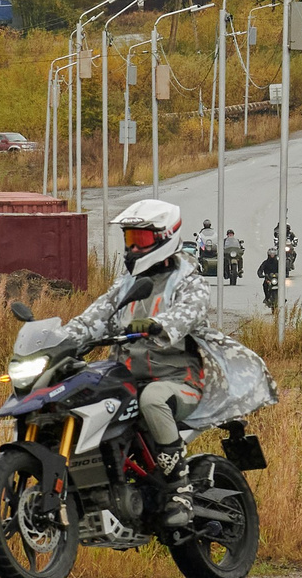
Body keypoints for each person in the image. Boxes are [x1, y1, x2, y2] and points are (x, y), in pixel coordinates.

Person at [53, 199, 212, 531]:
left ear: (165, 236)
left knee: (152, 398)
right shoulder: (126, 282)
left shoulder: (188, 278)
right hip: (129, 375)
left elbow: (192, 310)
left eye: (140, 240)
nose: (133, 248)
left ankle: (180, 489)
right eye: (129, 240)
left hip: (179, 379)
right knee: (81, 390)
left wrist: (159, 324)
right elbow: (95, 316)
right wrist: (61, 339)